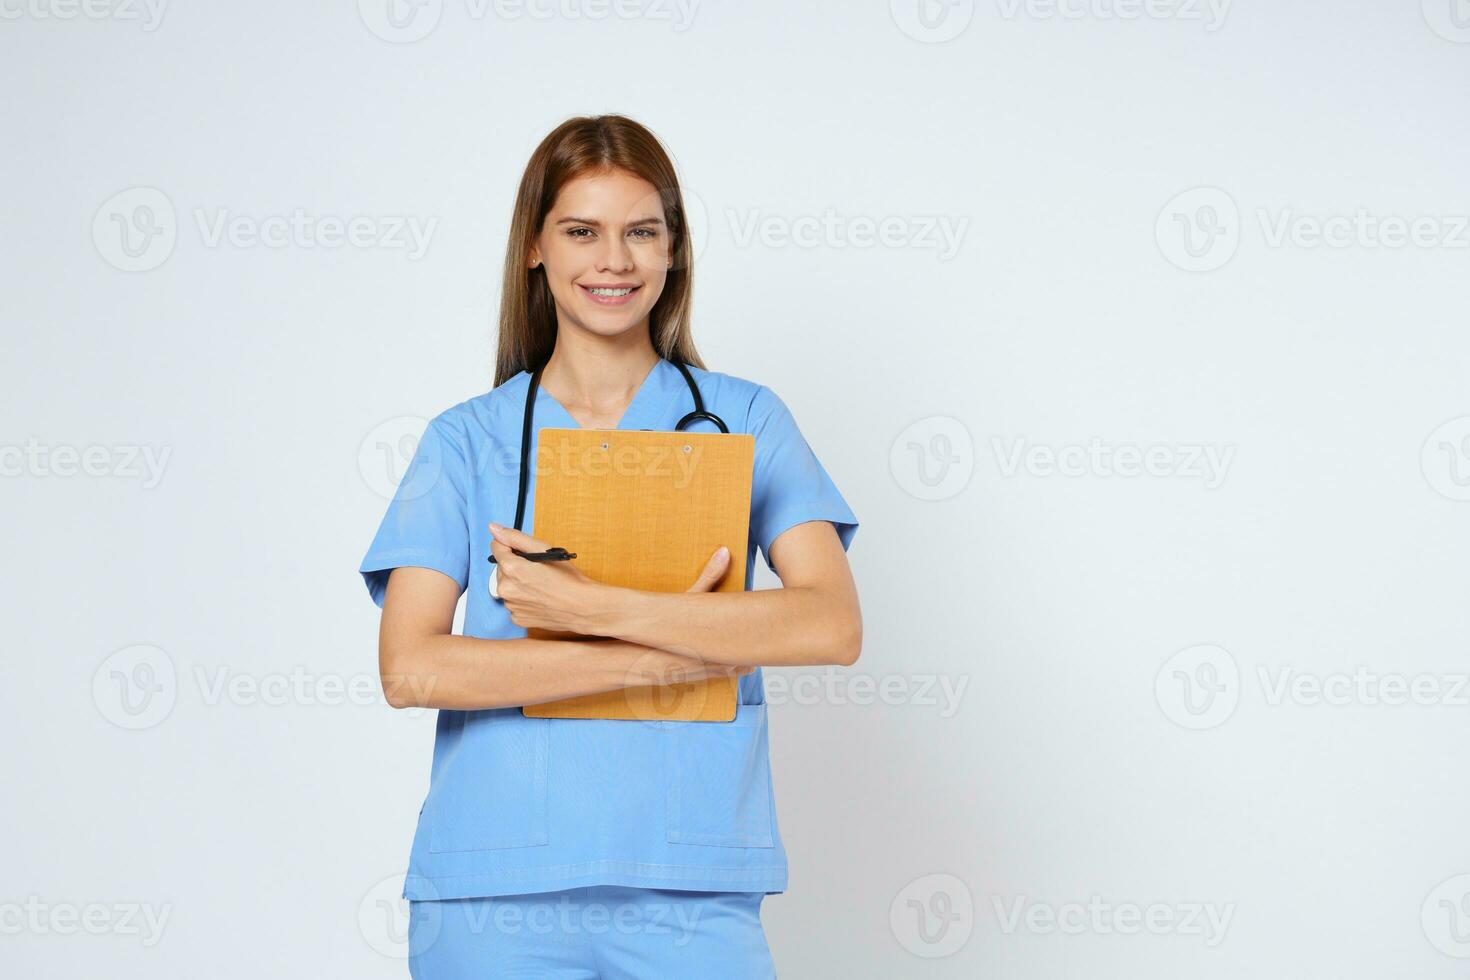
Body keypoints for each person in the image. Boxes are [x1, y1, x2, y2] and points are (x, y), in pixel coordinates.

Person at [360, 114, 862, 978]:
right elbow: (413, 668)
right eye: (582, 231)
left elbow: (829, 625)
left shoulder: (744, 419)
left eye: (642, 232)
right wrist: (667, 654)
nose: (614, 261)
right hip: (493, 890)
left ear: (674, 252)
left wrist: (590, 609)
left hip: (691, 886)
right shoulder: (465, 441)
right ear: (535, 249)